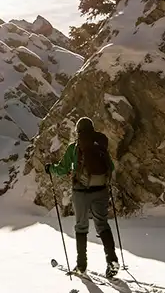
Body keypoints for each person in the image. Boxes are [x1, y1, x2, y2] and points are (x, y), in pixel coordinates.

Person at [45, 117, 120, 278]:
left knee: (81, 226)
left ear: (78, 131)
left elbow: (63, 169)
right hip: (101, 190)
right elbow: (111, 167)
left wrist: (50, 168)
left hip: (81, 192)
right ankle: (112, 259)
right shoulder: (100, 145)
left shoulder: (74, 148)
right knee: (102, 224)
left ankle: (81, 265)